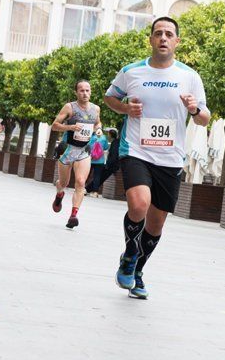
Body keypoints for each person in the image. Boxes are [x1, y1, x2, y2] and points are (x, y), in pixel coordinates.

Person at [104, 16, 210, 299]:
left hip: (171, 157)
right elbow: (110, 97)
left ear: (177, 42)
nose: (163, 38)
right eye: (158, 33)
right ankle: (129, 253)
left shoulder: (189, 76)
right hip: (136, 149)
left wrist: (194, 109)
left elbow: (204, 118)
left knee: (156, 223)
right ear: (151, 39)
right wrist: (126, 110)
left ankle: (137, 270)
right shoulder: (131, 72)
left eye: (169, 34)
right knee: (139, 204)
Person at [51, 80, 102, 229]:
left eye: (87, 90)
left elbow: (98, 123)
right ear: (76, 92)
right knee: (64, 183)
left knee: (80, 182)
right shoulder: (70, 107)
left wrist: (98, 129)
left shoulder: (95, 109)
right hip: (68, 150)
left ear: (90, 92)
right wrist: (71, 127)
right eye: (81, 90)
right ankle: (60, 194)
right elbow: (55, 126)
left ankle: (73, 215)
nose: (85, 93)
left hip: (83, 151)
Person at [86, 129, 110, 197]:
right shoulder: (104, 138)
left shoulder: (92, 137)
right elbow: (106, 148)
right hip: (100, 161)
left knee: (87, 174)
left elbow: (88, 146)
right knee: (97, 176)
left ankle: (83, 189)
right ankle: (95, 192)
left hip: (90, 159)